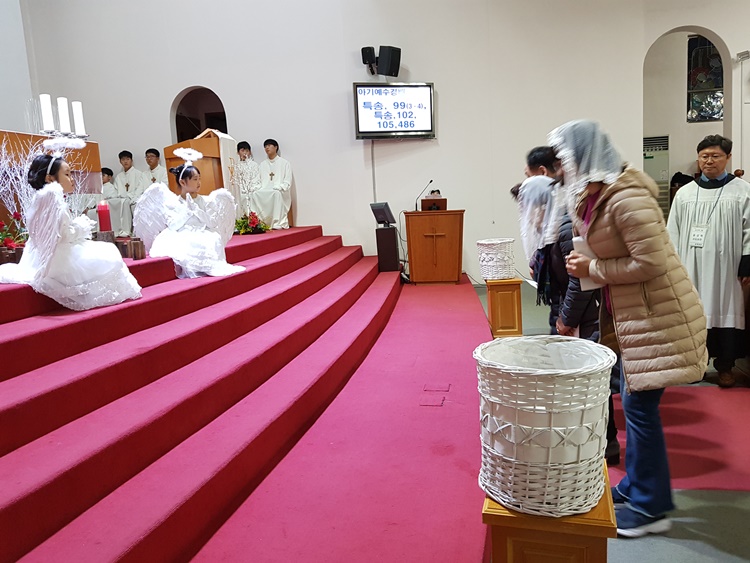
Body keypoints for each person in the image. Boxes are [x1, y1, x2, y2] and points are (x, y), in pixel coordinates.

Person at [554, 119, 707, 538]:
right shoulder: (594, 195)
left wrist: (593, 267)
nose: (563, 166)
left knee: (639, 411)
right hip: (632, 321)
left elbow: (650, 263)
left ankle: (651, 506)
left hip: (658, 319)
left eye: (566, 157)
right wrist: (586, 265)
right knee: (635, 405)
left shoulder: (626, 198)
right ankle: (638, 485)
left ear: (585, 155)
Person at [0, 154, 141, 310]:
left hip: (38, 255)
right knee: (108, 254)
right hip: (58, 258)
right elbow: (63, 235)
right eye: (67, 174)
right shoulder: (52, 198)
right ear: (50, 178)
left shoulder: (42, 197)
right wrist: (82, 226)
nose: (72, 179)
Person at [667, 135, 750, 388]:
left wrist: (747, 262)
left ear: (728, 157)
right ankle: (696, 366)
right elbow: (673, 232)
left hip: (727, 268)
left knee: (725, 311)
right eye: (704, 156)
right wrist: (674, 267)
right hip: (691, 266)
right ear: (698, 159)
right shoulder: (685, 193)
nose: (709, 161)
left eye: (715, 156)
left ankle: (725, 367)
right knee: (694, 315)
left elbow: (749, 229)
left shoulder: (742, 190)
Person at [133, 151, 244, 279]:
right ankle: (192, 268)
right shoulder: (173, 202)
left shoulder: (203, 200)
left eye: (199, 179)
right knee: (186, 242)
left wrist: (197, 210)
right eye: (195, 179)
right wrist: (187, 211)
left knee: (214, 238)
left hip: (201, 231)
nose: (199, 182)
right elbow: (173, 225)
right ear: (183, 182)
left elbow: (211, 223)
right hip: (182, 232)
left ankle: (206, 266)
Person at [251, 139, 293, 229]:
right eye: (265, 146)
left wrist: (281, 186)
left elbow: (287, 181)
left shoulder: (284, 163)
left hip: (279, 190)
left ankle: (277, 222)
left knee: (276, 194)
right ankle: (259, 222)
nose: (267, 148)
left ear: (276, 147)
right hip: (265, 189)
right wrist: (256, 187)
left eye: (269, 145)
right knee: (254, 194)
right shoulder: (262, 164)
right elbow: (258, 180)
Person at [113, 150, 146, 233]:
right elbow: (115, 191)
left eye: (127, 159)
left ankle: (131, 231)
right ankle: (119, 231)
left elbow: (140, 189)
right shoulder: (119, 177)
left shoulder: (139, 174)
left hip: (134, 199)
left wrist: (132, 199)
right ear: (120, 161)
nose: (125, 161)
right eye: (123, 159)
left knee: (130, 205)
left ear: (131, 160)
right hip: (122, 200)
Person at [100, 166, 133, 237]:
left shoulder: (111, 187)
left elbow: (113, 198)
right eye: (100, 175)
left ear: (109, 177)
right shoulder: (99, 187)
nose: (101, 177)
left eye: (103, 175)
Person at [232, 141, 261, 215]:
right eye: (242, 150)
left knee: (253, 196)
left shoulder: (254, 165)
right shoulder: (236, 166)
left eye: (247, 151)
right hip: (240, 191)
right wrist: (242, 189)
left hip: (252, 190)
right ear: (238, 152)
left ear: (250, 152)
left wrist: (251, 188)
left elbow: (257, 179)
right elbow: (235, 180)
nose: (245, 153)